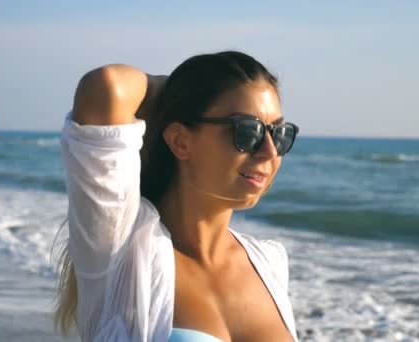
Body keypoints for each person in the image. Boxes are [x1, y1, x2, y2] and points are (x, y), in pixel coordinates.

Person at [55, 51, 299, 341]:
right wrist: (174, 92)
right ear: (180, 140)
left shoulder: (269, 261)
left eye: (279, 133)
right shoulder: (121, 250)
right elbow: (107, 86)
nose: (269, 151)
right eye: (248, 131)